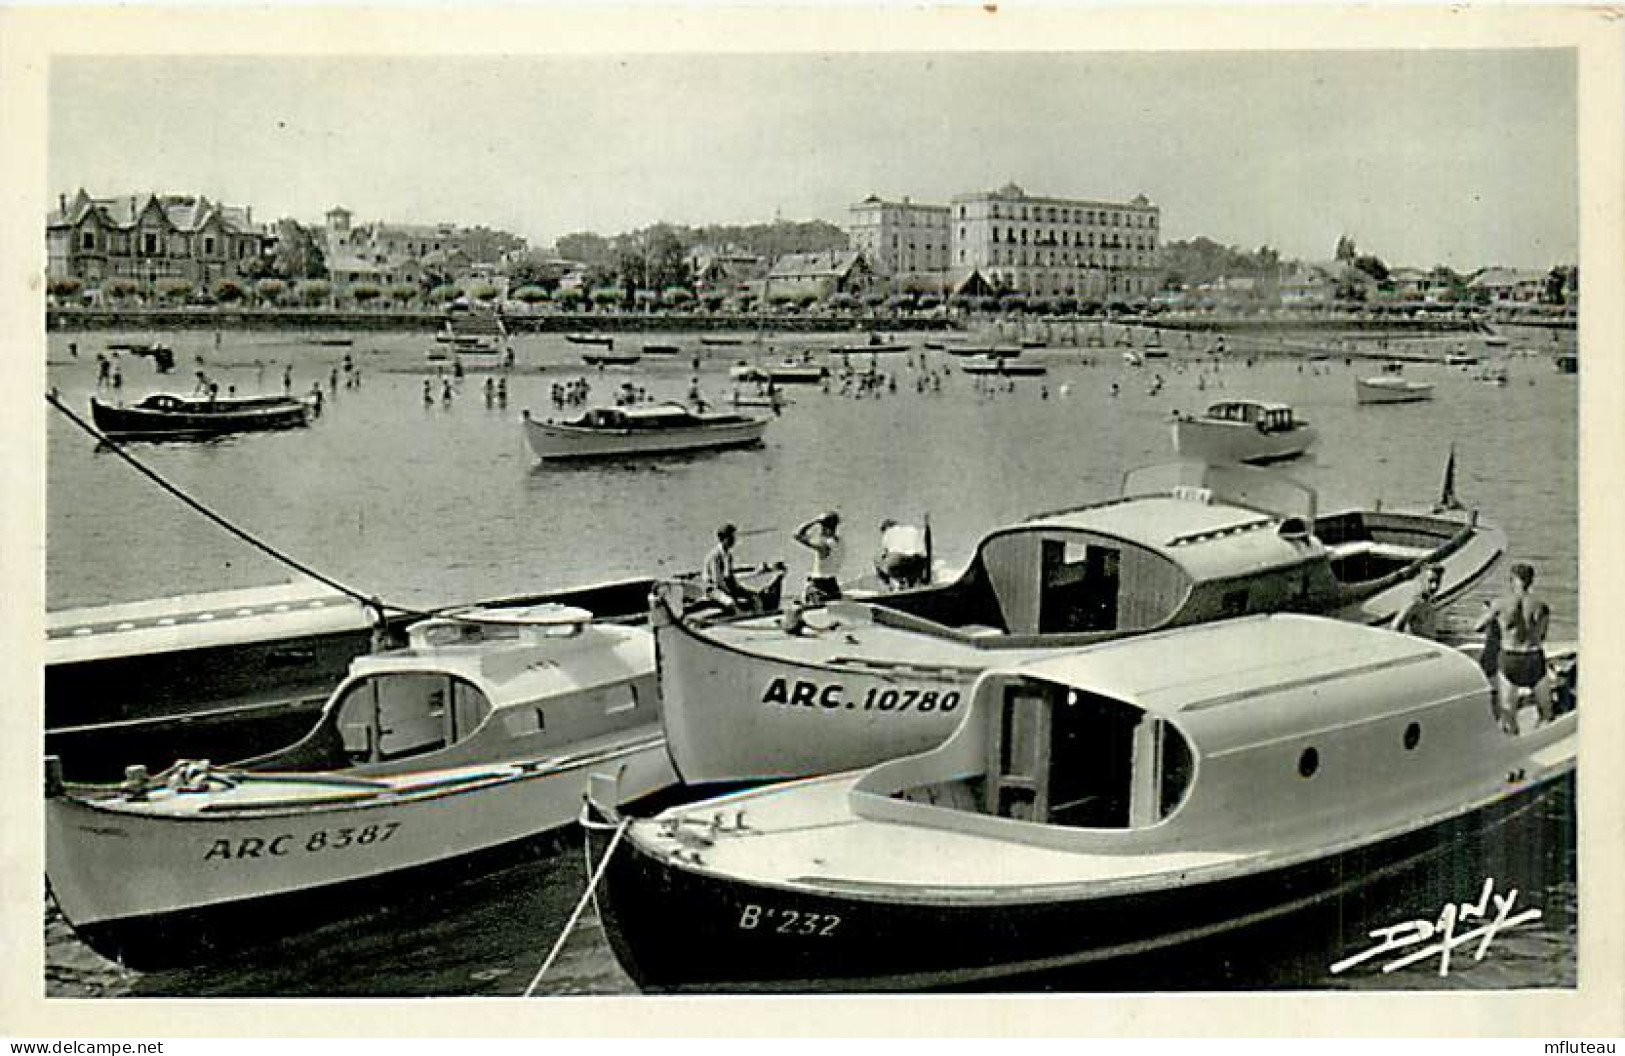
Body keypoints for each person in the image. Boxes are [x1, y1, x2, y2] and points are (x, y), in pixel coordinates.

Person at [1474, 562, 1552, 733]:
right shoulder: (1542, 606)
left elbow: (1477, 626)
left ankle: (1514, 741)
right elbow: (1542, 635)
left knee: (1508, 712)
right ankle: (1539, 742)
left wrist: (1492, 615)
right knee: (1546, 713)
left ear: (1511, 580)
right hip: (1533, 657)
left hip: (1510, 658)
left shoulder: (1501, 603)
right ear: (1531, 581)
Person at [703, 523, 754, 614]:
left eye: (734, 537)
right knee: (731, 603)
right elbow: (718, 580)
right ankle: (741, 617)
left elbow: (730, 576)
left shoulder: (728, 555)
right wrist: (730, 593)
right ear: (723, 539)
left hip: (725, 586)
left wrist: (740, 589)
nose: (733, 540)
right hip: (713, 589)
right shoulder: (715, 556)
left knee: (754, 597)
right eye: (730, 537)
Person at [794, 511, 844, 604]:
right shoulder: (840, 542)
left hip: (819, 584)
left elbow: (797, 535)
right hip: (833, 584)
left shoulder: (824, 546)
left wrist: (815, 521)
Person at [874, 518, 931, 590]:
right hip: (916, 565)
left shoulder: (888, 534)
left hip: (897, 564)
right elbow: (924, 552)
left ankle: (891, 585)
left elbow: (886, 555)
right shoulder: (911, 529)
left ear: (886, 528)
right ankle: (911, 583)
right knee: (915, 558)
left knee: (878, 560)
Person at [1393, 563, 1443, 640]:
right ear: (1422, 580)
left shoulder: (1430, 602)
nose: (1434, 586)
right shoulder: (1415, 602)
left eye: (1437, 581)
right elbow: (1395, 626)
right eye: (1430, 581)